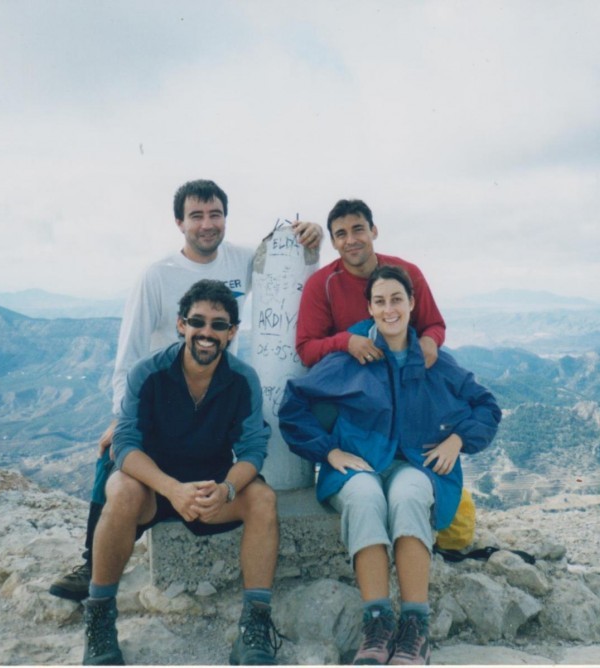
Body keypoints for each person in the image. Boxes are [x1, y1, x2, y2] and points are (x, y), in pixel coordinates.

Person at [50, 179, 321, 601]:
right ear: (180, 222)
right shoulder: (157, 276)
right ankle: (92, 562)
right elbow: (130, 351)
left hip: (214, 393)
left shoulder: (242, 261)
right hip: (159, 395)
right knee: (115, 457)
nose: (207, 225)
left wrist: (308, 236)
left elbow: (283, 262)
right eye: (196, 216)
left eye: (215, 215)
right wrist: (122, 414)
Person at [278, 265, 501, 665]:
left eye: (397, 299)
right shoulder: (353, 357)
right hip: (359, 461)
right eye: (379, 301)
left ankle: (415, 626)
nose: (389, 308)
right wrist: (328, 451)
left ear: (413, 304)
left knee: (409, 495)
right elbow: (294, 406)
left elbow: (487, 405)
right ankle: (377, 624)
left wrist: (457, 439)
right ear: (370, 308)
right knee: (364, 497)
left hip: (417, 464)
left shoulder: (434, 361)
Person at [83, 280, 281, 666]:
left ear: (232, 332)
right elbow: (125, 445)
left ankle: (255, 624)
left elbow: (254, 450)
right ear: (181, 325)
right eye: (198, 322)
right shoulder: (148, 373)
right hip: (153, 490)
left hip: (209, 491)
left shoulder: (243, 380)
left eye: (219, 325)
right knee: (121, 489)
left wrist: (226, 490)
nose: (207, 333)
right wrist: (171, 489)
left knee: (262, 498)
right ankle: (100, 619)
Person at [295, 199, 446, 370]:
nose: (351, 240)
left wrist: (430, 340)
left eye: (358, 230)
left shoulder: (408, 273)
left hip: (406, 370)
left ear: (374, 231)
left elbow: (434, 324)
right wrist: (347, 342)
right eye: (341, 234)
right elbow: (306, 350)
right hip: (351, 381)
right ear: (333, 242)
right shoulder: (320, 284)